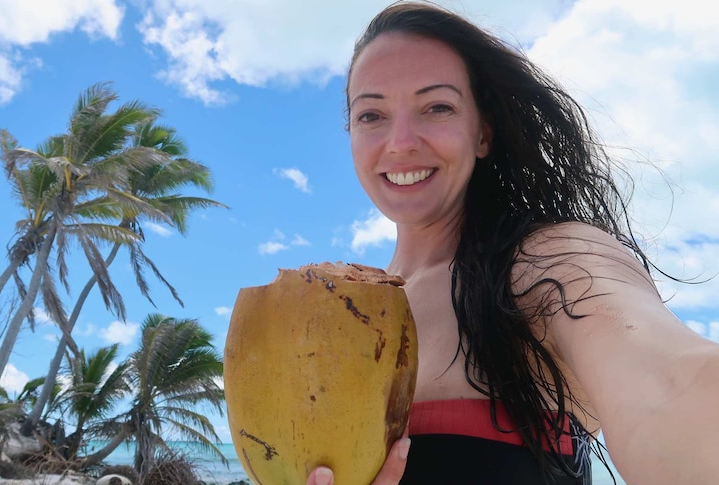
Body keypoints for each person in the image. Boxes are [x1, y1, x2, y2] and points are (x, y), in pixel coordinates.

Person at [303, 1, 719, 484]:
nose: (400, 141)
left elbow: (669, 381)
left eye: (437, 106)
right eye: (371, 114)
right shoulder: (343, 316)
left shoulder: (543, 261)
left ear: (482, 132)